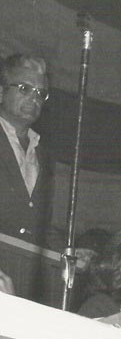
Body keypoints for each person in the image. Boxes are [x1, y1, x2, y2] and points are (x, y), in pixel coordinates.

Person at [0, 54, 54, 247]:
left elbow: (39, 226)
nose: (34, 98)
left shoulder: (42, 154)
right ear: (1, 92)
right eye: (25, 89)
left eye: (40, 93)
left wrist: (67, 250)